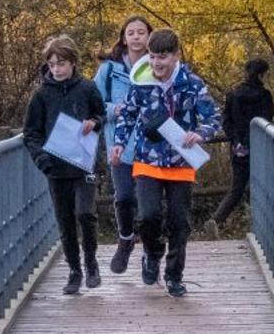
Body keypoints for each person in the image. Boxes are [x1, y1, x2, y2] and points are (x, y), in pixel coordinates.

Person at [110, 28, 220, 297]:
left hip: (181, 160)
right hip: (148, 158)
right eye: (152, 57)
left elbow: (213, 118)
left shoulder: (192, 83)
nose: (157, 63)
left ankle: (174, 276)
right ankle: (152, 254)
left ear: (175, 56)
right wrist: (119, 142)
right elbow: (128, 114)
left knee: (179, 221)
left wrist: (202, 133)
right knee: (148, 216)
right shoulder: (142, 81)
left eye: (162, 57)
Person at [24, 35, 106, 295]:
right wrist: (42, 159)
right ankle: (74, 270)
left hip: (83, 164)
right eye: (52, 64)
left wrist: (95, 123)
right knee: (65, 220)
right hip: (56, 168)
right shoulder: (41, 95)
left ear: (73, 62)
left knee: (85, 213)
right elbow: (31, 133)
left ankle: (91, 262)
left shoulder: (87, 88)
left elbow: (100, 114)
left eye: (61, 63)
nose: (56, 69)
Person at [94, 16, 152, 274]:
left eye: (142, 32)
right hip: (119, 142)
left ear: (150, 36)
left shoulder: (158, 64)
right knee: (125, 196)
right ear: (123, 37)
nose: (137, 37)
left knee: (149, 202)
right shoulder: (109, 68)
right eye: (132, 32)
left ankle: (150, 251)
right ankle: (126, 239)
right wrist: (113, 110)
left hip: (152, 144)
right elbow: (94, 103)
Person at [204, 58, 274, 236]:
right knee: (265, 186)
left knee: (237, 188)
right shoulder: (264, 96)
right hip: (260, 147)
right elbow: (266, 122)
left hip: (239, 148)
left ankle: (217, 219)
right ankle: (264, 228)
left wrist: (236, 141)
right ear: (261, 74)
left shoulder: (233, 94)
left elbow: (226, 121)